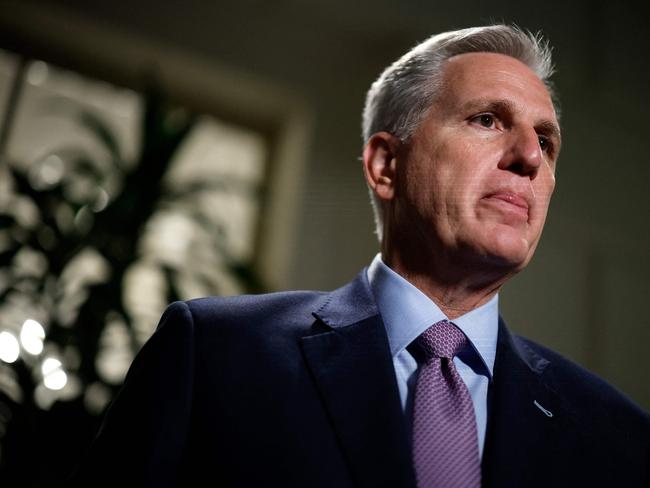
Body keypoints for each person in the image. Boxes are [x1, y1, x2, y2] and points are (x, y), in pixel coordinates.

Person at [71, 25, 650, 487]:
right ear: (385, 166)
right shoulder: (214, 354)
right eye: (486, 119)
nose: (528, 155)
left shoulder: (617, 435)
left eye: (546, 141)